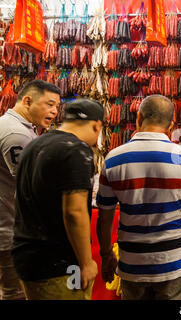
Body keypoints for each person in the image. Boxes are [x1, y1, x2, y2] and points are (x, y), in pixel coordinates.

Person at [96, 94, 181, 300]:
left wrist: (106, 256)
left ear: (138, 118)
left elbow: (104, 216)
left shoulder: (113, 158)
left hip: (132, 262)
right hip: (175, 262)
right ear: (172, 125)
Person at [11, 98, 104, 300]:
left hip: (27, 257)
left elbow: (19, 196)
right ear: (97, 125)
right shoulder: (77, 150)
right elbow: (74, 212)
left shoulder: (34, 144)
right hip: (59, 264)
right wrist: (86, 262)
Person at [0, 79, 61, 300]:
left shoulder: (15, 127)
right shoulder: (18, 134)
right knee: (16, 294)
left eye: (57, 106)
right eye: (50, 104)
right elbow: (30, 189)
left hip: (10, 228)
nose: (54, 111)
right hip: (11, 232)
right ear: (27, 101)